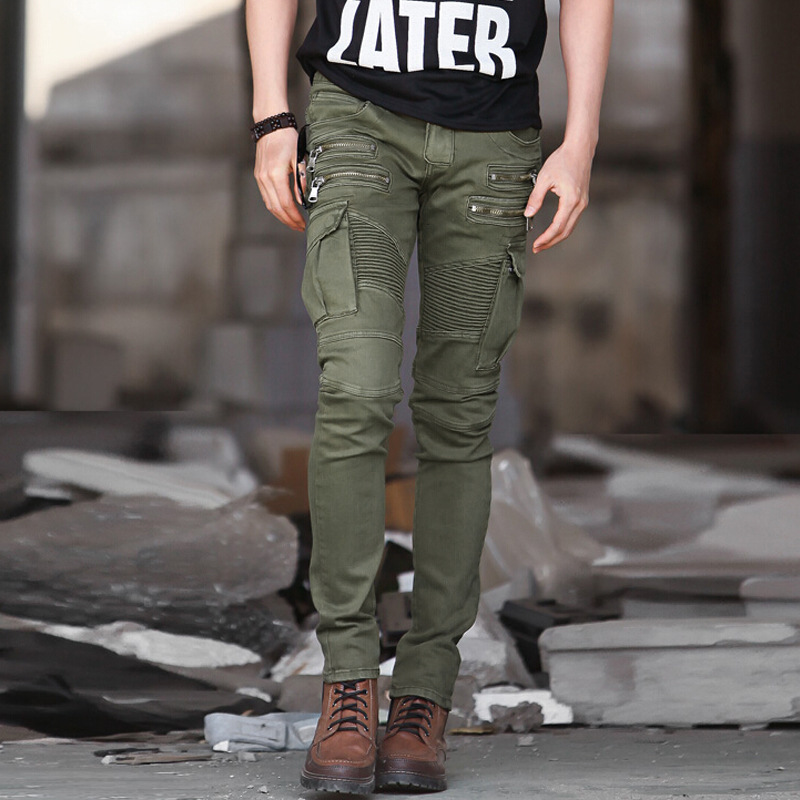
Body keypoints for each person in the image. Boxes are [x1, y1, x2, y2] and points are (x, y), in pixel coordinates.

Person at [246, 0, 613, 793]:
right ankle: (348, 686)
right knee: (357, 390)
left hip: (494, 139)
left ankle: (424, 697)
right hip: (358, 116)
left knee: (458, 412)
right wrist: (271, 115)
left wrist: (580, 140)